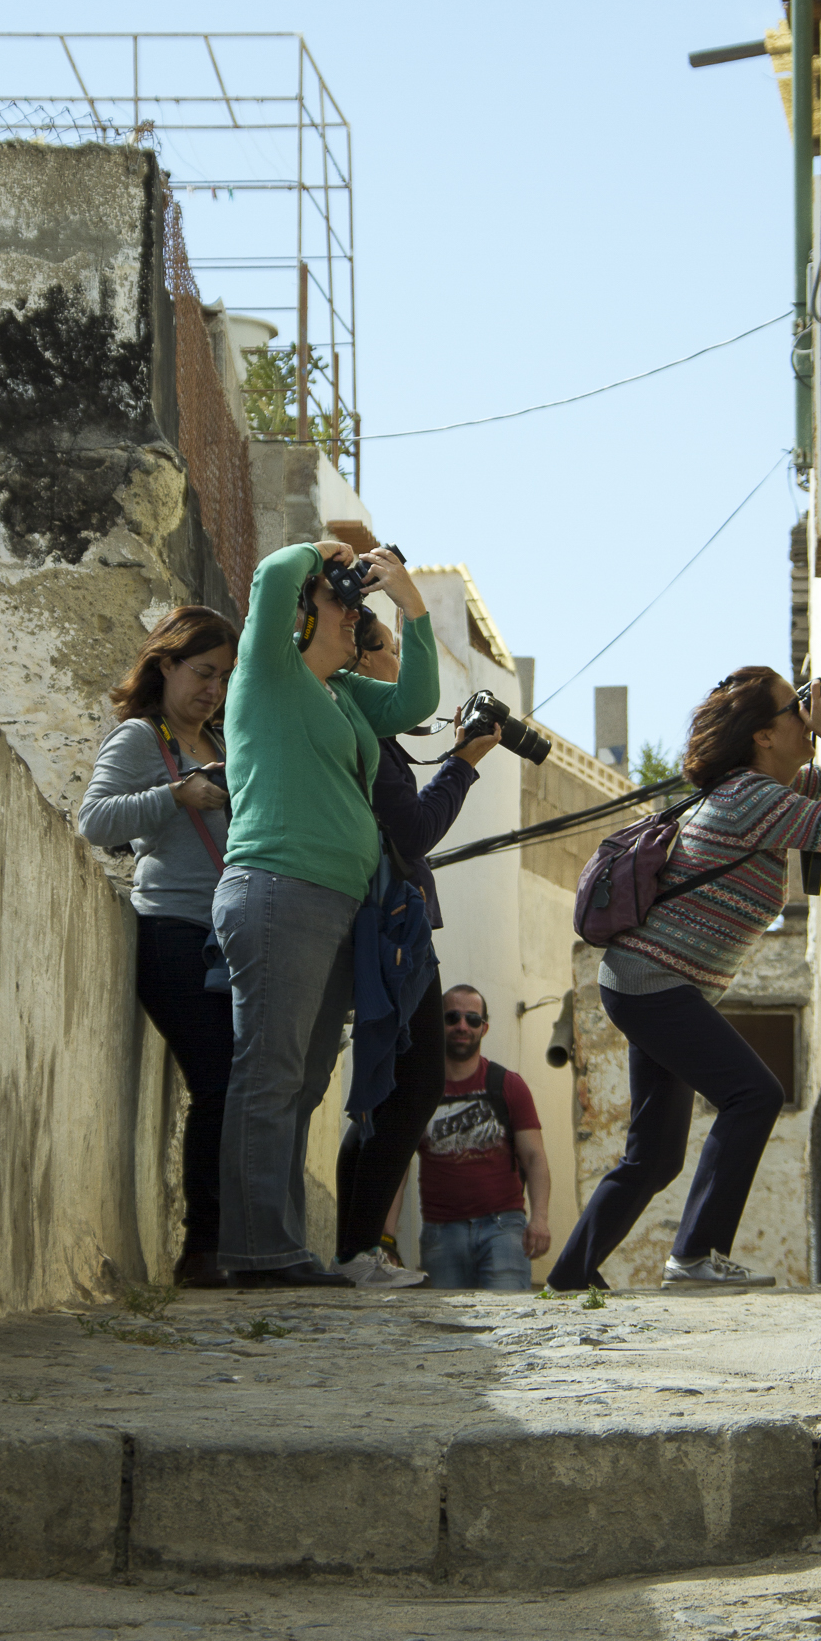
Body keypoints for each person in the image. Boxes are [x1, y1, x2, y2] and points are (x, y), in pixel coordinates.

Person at [547, 667, 821, 1294]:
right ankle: (696, 1256)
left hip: (646, 982)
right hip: (654, 981)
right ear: (762, 735)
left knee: (654, 1155)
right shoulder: (752, 798)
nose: (805, 717)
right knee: (753, 1094)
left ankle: (569, 1277)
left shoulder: (764, 790)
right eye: (794, 709)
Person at [213, 538, 439, 1288]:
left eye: (354, 604)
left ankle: (276, 1245)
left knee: (304, 1082)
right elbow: (271, 575)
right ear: (303, 616)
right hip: (280, 886)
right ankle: (256, 1248)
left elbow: (415, 703)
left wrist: (410, 607)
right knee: (271, 1072)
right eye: (337, 602)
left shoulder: (342, 694)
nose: (351, 614)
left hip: (335, 903)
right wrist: (316, 553)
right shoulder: (268, 671)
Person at [331, 608, 501, 1288]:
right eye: (391, 651)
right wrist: (463, 763)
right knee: (411, 1087)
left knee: (388, 1091)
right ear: (363, 664)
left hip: (386, 923)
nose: (400, 666)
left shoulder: (367, 734)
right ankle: (357, 1251)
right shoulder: (368, 737)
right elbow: (414, 832)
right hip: (390, 926)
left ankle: (355, 1250)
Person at [77, 606, 238, 1289]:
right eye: (203, 672)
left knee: (239, 1088)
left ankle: (225, 1244)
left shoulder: (224, 739)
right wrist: (176, 794)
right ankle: (202, 1249)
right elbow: (94, 819)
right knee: (219, 1084)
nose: (213, 689)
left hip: (228, 940)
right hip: (172, 933)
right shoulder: (143, 737)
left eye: (224, 677)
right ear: (166, 664)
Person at [416, 984, 552, 1291]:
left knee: (508, 1317)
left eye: (472, 1019)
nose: (462, 1026)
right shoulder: (419, 1091)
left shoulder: (508, 1085)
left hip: (503, 1229)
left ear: (484, 1028)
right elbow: (395, 1168)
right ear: (437, 1023)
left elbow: (534, 1157)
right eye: (452, 1017)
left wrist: (540, 1219)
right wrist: (386, 1238)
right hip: (441, 1232)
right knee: (447, 1321)